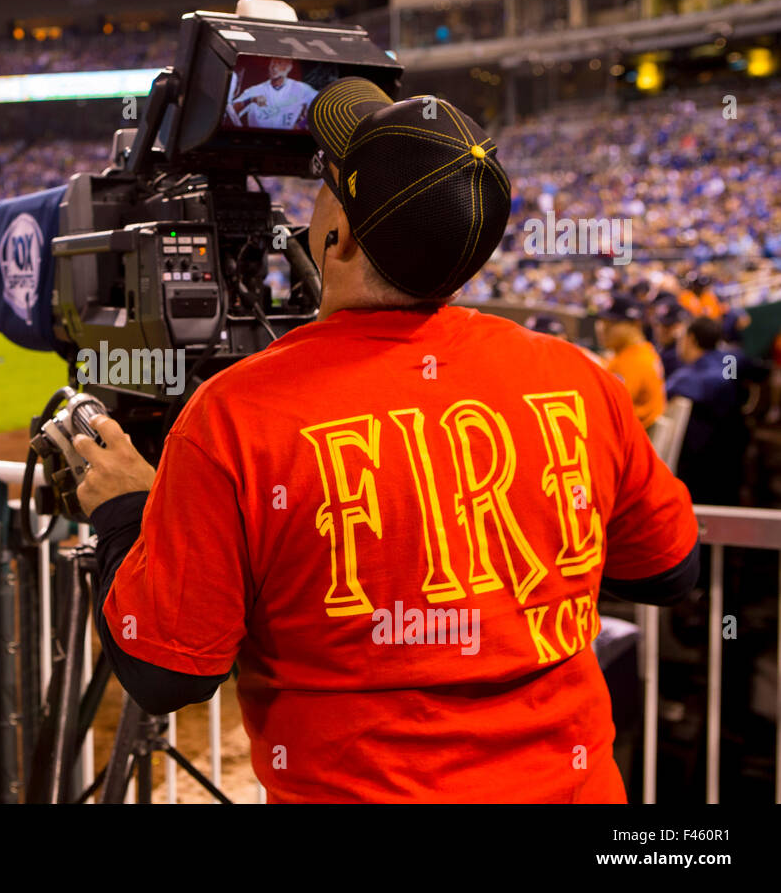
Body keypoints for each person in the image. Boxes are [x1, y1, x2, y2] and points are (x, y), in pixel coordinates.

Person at [71, 78, 700, 803]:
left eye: (323, 183)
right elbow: (669, 570)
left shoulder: (236, 414)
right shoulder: (575, 378)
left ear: (336, 234)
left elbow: (166, 672)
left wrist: (125, 513)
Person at [666, 317, 747, 505]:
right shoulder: (731, 359)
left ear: (691, 339)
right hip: (734, 458)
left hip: (702, 474)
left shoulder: (685, 379)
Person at [597, 294, 666, 431]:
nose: (603, 330)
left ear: (635, 325)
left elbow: (607, 410)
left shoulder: (634, 362)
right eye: (603, 322)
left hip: (630, 439)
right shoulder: (639, 351)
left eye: (612, 324)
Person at [228, 57, 317, 130]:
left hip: (289, 141)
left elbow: (322, 105)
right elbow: (231, 110)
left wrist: (301, 125)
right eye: (273, 63)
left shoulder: (300, 88)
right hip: (256, 139)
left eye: (279, 63)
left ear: (289, 67)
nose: (274, 67)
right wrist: (250, 100)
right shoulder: (255, 90)